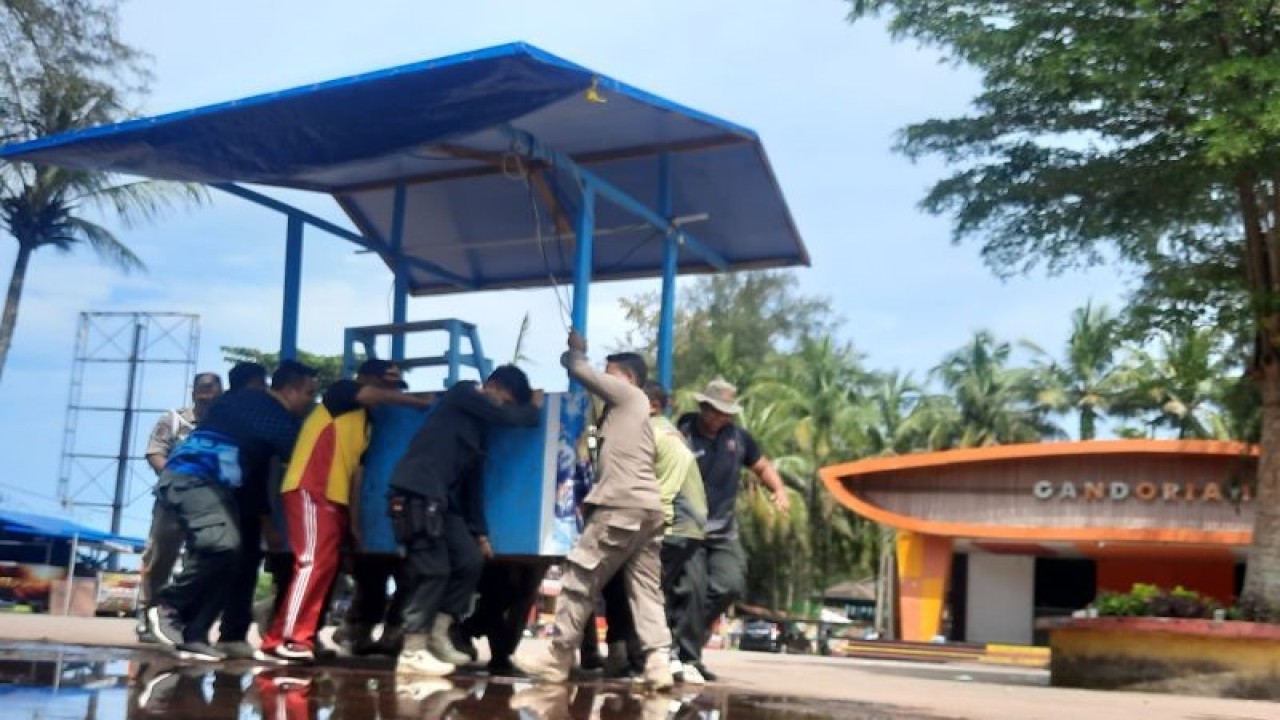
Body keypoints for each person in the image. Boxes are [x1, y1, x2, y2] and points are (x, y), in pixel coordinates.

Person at [517, 332, 673, 690]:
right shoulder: (624, 415)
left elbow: (578, 370)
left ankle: (557, 657)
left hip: (620, 504)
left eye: (610, 373)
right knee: (645, 590)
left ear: (629, 378)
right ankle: (658, 662)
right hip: (647, 509)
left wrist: (576, 351)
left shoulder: (630, 396)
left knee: (579, 578)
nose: (605, 378)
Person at [144, 360, 318, 662]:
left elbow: (257, 477)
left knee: (231, 558)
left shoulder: (252, 409)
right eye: (308, 394)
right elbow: (295, 448)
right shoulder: (262, 407)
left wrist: (266, 520)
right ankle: (168, 607)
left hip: (214, 486)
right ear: (289, 390)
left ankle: (194, 635)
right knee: (221, 545)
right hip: (192, 478)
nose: (311, 402)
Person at [257, 359, 430, 663]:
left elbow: (356, 475)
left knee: (323, 568)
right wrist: (418, 402)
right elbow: (370, 394)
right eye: (383, 384)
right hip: (311, 487)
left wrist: (354, 524)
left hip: (333, 498)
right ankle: (284, 638)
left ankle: (299, 637)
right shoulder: (341, 393)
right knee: (311, 564)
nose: (386, 394)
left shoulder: (364, 424)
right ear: (365, 379)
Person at [389, 365, 540, 677]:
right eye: (505, 400)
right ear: (493, 386)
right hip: (416, 492)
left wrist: (480, 534)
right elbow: (508, 417)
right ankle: (413, 648)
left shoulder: (479, 431)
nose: (503, 408)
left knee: (470, 561)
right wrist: (533, 409)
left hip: (442, 502)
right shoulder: (462, 393)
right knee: (432, 570)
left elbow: (473, 487)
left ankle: (438, 631)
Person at [676, 377, 789, 681]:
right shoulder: (682, 433)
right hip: (688, 528)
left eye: (726, 413)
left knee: (730, 585)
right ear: (703, 407)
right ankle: (686, 656)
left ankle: (684, 642)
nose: (720, 418)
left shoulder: (739, 439)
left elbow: (762, 466)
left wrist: (778, 489)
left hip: (724, 531)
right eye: (715, 411)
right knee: (693, 590)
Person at [136, 372, 223, 643]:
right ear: (194, 392)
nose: (208, 397)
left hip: (209, 502)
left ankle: (183, 619)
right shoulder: (174, 420)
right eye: (203, 391)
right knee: (160, 558)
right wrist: (174, 480)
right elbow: (155, 452)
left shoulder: (226, 424)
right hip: (173, 502)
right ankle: (147, 616)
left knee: (200, 561)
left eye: (213, 392)